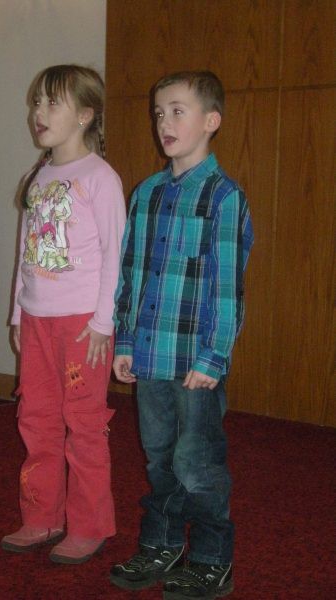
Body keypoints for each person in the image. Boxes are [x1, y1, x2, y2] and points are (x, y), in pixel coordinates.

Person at [110, 71, 254, 599]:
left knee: (198, 464)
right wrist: (126, 340)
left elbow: (226, 288)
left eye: (177, 111)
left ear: (211, 121)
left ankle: (213, 559)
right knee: (158, 458)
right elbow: (130, 273)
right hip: (150, 357)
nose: (164, 123)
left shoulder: (224, 197)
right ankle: (162, 544)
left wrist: (214, 356)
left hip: (195, 363)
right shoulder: (145, 194)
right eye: (158, 113)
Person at [2, 64, 126, 564]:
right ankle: (42, 517)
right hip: (36, 320)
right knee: (36, 419)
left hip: (81, 326)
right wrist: (18, 313)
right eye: (37, 102)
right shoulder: (38, 177)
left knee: (84, 424)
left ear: (85, 115)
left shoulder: (100, 178)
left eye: (52, 102)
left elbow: (116, 256)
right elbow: (26, 252)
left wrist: (103, 323)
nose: (39, 112)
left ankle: (90, 524)